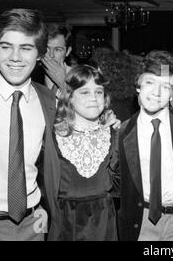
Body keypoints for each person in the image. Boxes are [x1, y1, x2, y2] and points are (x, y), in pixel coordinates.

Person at [0, 9, 60, 241]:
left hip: (35, 224)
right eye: (6, 46)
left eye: (26, 48)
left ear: (39, 54)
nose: (15, 57)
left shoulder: (49, 101)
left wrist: (45, 209)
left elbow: (53, 164)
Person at [113, 50, 173, 241]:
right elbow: (115, 181)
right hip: (140, 222)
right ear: (138, 85)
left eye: (165, 86)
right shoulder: (122, 132)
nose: (157, 92)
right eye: (150, 82)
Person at [49, 65, 118, 241]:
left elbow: (119, 182)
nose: (94, 98)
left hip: (103, 224)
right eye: (84, 92)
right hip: (64, 222)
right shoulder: (54, 135)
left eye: (99, 92)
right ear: (70, 97)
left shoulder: (113, 134)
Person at [40, 24, 73, 97]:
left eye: (57, 49)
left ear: (68, 51)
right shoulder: (31, 75)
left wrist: (63, 84)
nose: (51, 55)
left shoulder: (80, 77)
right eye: (47, 49)